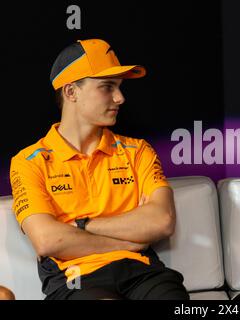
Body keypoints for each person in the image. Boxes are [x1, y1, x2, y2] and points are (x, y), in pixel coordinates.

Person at [9, 39, 189, 300]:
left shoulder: (137, 151)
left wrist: (81, 225)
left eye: (119, 87)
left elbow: (161, 221)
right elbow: (48, 240)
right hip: (74, 279)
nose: (120, 98)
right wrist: (130, 242)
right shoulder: (29, 161)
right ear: (71, 92)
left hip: (143, 272)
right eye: (107, 87)